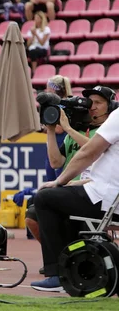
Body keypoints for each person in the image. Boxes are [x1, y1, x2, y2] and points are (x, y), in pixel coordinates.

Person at [33, 97, 119, 292]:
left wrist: (59, 181)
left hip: (105, 199)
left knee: (45, 198)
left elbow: (89, 152)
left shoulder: (117, 117)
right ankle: (70, 268)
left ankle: (56, 275)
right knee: (61, 201)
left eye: (98, 103)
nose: (92, 107)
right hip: (107, 196)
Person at [24, 76, 73, 245]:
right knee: (51, 185)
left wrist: (44, 126)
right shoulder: (52, 105)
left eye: (48, 88)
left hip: (60, 150)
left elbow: (58, 128)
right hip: (51, 150)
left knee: (59, 188)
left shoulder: (63, 105)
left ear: (55, 89)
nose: (46, 91)